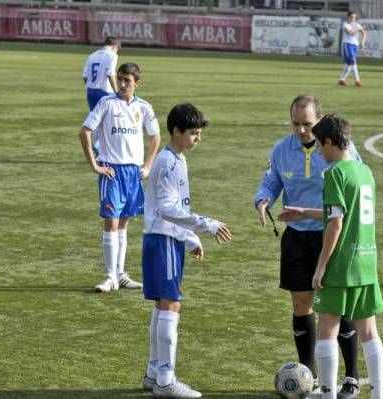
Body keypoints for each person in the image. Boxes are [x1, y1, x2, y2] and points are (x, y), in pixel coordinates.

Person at [254, 95, 363, 399]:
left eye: (308, 124)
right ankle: (308, 374)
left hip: (331, 235)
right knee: (301, 304)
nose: (302, 130)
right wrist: (263, 199)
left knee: (337, 306)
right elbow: (271, 180)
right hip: (297, 237)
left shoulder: (338, 148)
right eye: (296, 124)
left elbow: (357, 180)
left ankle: (352, 376)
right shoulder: (280, 150)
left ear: (321, 119)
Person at [281, 114, 383, 399]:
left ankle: (326, 394)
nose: (318, 153)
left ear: (329, 141)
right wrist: (304, 212)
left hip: (342, 264)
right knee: (369, 331)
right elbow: (343, 213)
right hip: (366, 261)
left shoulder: (335, 174)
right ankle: (378, 395)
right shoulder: (365, 172)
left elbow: (336, 223)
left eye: (320, 146)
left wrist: (321, 267)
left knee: (327, 329)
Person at [141, 103, 232, 398]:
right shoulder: (168, 162)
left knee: (162, 305)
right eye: (193, 133)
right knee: (171, 304)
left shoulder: (175, 158)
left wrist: (190, 237)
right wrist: (205, 224)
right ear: (176, 131)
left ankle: (154, 373)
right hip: (163, 239)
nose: (198, 138)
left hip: (165, 239)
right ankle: (166, 380)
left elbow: (174, 207)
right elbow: (168, 209)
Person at [79, 62, 161, 293]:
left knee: (123, 223)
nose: (122, 84)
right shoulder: (106, 102)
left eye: (128, 80)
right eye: (120, 79)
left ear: (137, 83)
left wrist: (147, 166)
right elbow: (84, 131)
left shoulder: (144, 107)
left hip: (133, 173)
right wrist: (94, 165)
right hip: (112, 171)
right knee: (111, 222)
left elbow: (155, 137)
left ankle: (120, 274)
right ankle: (109, 276)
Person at [82, 36, 121, 154]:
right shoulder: (112, 55)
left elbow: (85, 75)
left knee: (96, 120)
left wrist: (91, 85)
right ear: (115, 46)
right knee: (111, 121)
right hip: (104, 92)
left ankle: (98, 147)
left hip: (91, 92)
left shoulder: (92, 55)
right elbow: (110, 74)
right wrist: (116, 92)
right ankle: (99, 146)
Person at [338, 12, 366, 87]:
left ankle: (342, 80)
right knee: (352, 61)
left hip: (355, 45)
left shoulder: (357, 25)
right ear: (348, 17)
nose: (353, 19)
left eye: (354, 17)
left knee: (349, 63)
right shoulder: (345, 24)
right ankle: (357, 80)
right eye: (352, 17)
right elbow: (350, 33)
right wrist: (358, 29)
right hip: (347, 44)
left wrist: (362, 42)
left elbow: (364, 33)